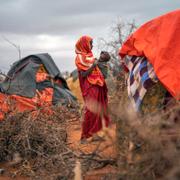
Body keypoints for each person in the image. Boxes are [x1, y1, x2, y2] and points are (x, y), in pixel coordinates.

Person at [75, 35, 111, 143]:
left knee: (98, 110)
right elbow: (84, 74)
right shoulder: (80, 58)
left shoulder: (90, 56)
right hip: (89, 87)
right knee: (90, 111)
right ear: (85, 44)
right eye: (91, 43)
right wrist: (93, 65)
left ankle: (94, 134)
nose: (92, 45)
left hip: (98, 86)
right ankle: (84, 136)